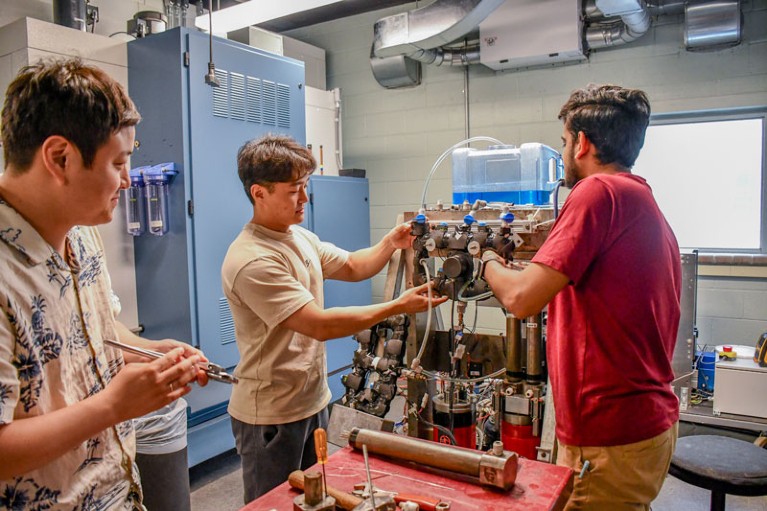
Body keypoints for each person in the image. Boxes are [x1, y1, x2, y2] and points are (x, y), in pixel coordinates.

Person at [0, 58, 206, 510]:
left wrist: (154, 352)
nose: (128, 181)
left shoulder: (82, 232)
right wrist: (113, 406)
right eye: (119, 163)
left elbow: (98, 333)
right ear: (60, 158)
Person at [481, 84, 681, 511]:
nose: (565, 152)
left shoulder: (597, 193)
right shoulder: (639, 199)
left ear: (583, 143)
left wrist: (486, 263)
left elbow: (520, 300)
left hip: (610, 438)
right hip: (638, 428)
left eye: (566, 142)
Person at [222, 133, 448, 502]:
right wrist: (396, 307)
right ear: (259, 193)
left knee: (318, 498)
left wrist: (390, 242)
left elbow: (354, 265)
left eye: (306, 186)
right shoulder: (253, 258)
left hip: (311, 402)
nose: (305, 199)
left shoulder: (298, 238)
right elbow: (319, 324)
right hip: (272, 416)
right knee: (276, 504)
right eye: (294, 190)